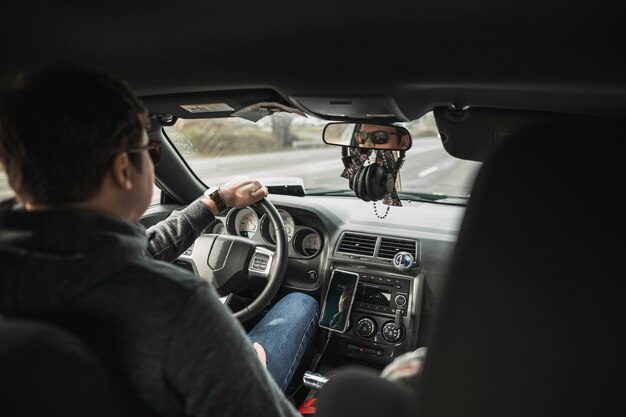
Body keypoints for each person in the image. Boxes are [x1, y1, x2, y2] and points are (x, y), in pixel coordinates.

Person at [0, 65, 318, 417]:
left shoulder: (37, 263)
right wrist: (246, 365)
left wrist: (215, 202)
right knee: (301, 306)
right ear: (123, 169)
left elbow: (140, 252)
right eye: (151, 151)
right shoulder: (178, 306)